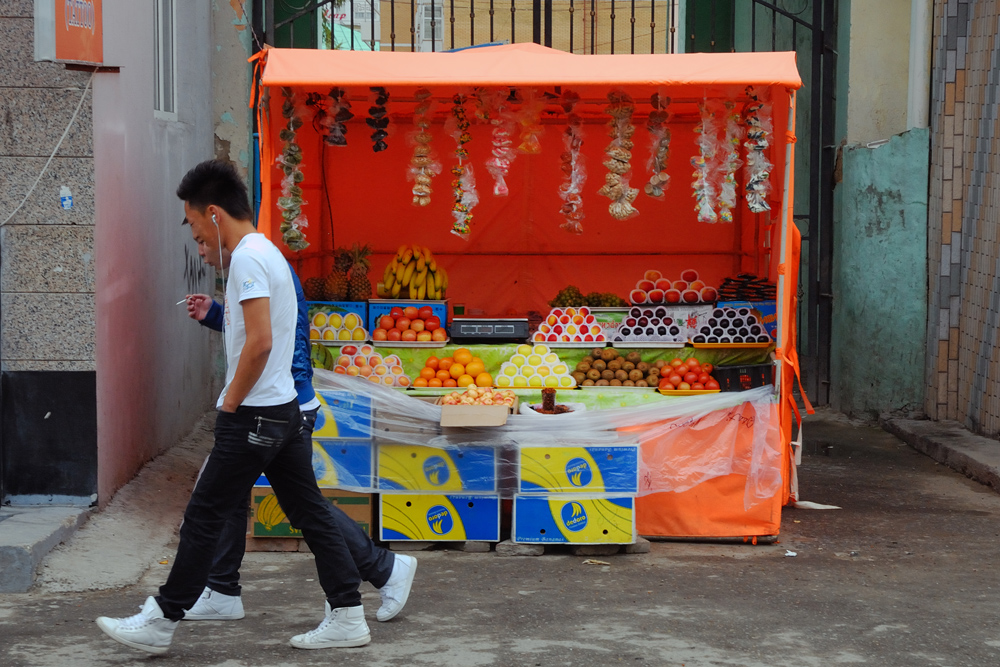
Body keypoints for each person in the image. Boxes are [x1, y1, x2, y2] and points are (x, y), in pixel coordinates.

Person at [96, 160, 415, 655]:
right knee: (308, 512)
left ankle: (161, 620)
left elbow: (261, 341)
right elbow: (265, 337)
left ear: (215, 213)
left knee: (205, 514)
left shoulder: (247, 258)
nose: (196, 233)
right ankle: (348, 614)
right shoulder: (268, 252)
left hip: (258, 414)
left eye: (195, 222)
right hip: (282, 409)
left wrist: (230, 402)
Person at [180, 256, 412, 624]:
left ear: (215, 215)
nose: (203, 248)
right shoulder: (254, 259)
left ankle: (379, 572)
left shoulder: (256, 258)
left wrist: (234, 403)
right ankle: (221, 588)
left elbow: (270, 338)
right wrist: (216, 315)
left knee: (303, 507)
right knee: (247, 495)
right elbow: (254, 328)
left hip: (278, 405)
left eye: (199, 233)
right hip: (271, 402)